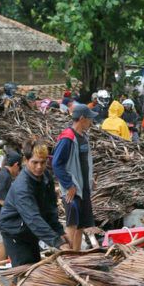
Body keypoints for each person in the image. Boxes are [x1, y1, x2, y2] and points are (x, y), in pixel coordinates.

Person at [0, 141, 63, 266]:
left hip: (29, 230)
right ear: (26, 161)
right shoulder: (22, 186)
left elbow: (50, 208)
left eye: (43, 162)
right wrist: (57, 242)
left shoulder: (45, 177)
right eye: (35, 162)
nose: (39, 167)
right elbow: (33, 218)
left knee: (34, 266)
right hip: (14, 231)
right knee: (24, 270)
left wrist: (60, 232)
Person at [53, 105, 95, 251]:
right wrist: (69, 185)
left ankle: (76, 255)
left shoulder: (84, 137)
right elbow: (56, 164)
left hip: (84, 188)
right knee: (72, 223)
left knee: (81, 224)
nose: (91, 122)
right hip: (73, 189)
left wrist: (90, 179)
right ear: (82, 119)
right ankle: (68, 255)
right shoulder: (67, 138)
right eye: (89, 119)